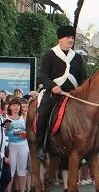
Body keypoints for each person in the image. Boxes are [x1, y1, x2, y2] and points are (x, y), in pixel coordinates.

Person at [36, 25, 87, 159]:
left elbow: (83, 79)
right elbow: (43, 76)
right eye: (68, 37)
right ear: (60, 39)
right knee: (42, 113)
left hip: (72, 94)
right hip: (55, 93)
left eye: (72, 37)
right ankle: (41, 146)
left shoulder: (77, 58)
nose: (71, 40)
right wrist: (52, 86)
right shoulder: (50, 55)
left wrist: (82, 91)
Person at [4, 98, 29, 192]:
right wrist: (14, 132)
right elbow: (3, 133)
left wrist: (24, 134)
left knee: (22, 169)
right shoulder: (6, 118)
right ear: (10, 107)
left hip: (23, 144)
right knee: (11, 169)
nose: (16, 107)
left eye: (18, 105)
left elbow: (29, 130)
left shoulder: (24, 117)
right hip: (11, 145)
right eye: (14, 105)